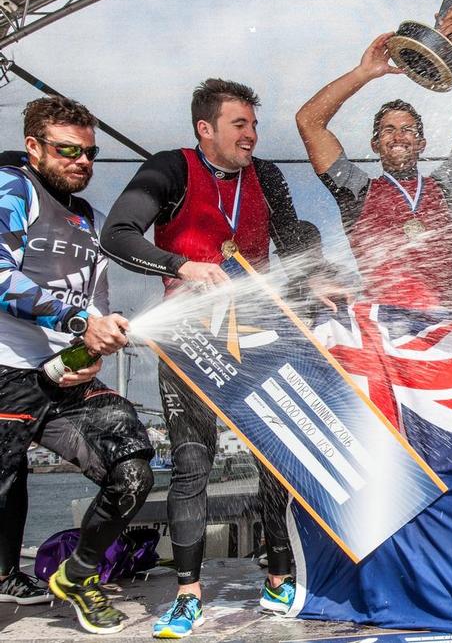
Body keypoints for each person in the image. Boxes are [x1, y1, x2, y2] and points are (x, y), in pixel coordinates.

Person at [101, 79, 317, 638]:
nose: (252, 135)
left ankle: (278, 577)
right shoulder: (169, 168)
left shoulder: (266, 175)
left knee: (276, 460)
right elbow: (117, 235)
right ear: (206, 128)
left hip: (260, 332)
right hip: (191, 338)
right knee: (192, 463)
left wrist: (320, 279)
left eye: (253, 124)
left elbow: (294, 241)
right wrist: (179, 265)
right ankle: (189, 596)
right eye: (239, 124)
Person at [0, 96, 154, 634]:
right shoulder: (11, 187)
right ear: (34, 147)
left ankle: (80, 573)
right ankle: (5, 579)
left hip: (66, 377)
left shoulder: (87, 217)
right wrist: (76, 322)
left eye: (90, 153)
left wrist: (97, 342)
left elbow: (95, 300)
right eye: (68, 151)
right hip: (7, 373)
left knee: (132, 470)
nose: (82, 162)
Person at [296, 6, 452, 309]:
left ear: (422, 143)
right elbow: (309, 121)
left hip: (447, 323)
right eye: (388, 131)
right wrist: (363, 73)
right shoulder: (356, 190)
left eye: (407, 130)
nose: (398, 136)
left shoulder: (445, 186)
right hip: (386, 326)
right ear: (375, 144)